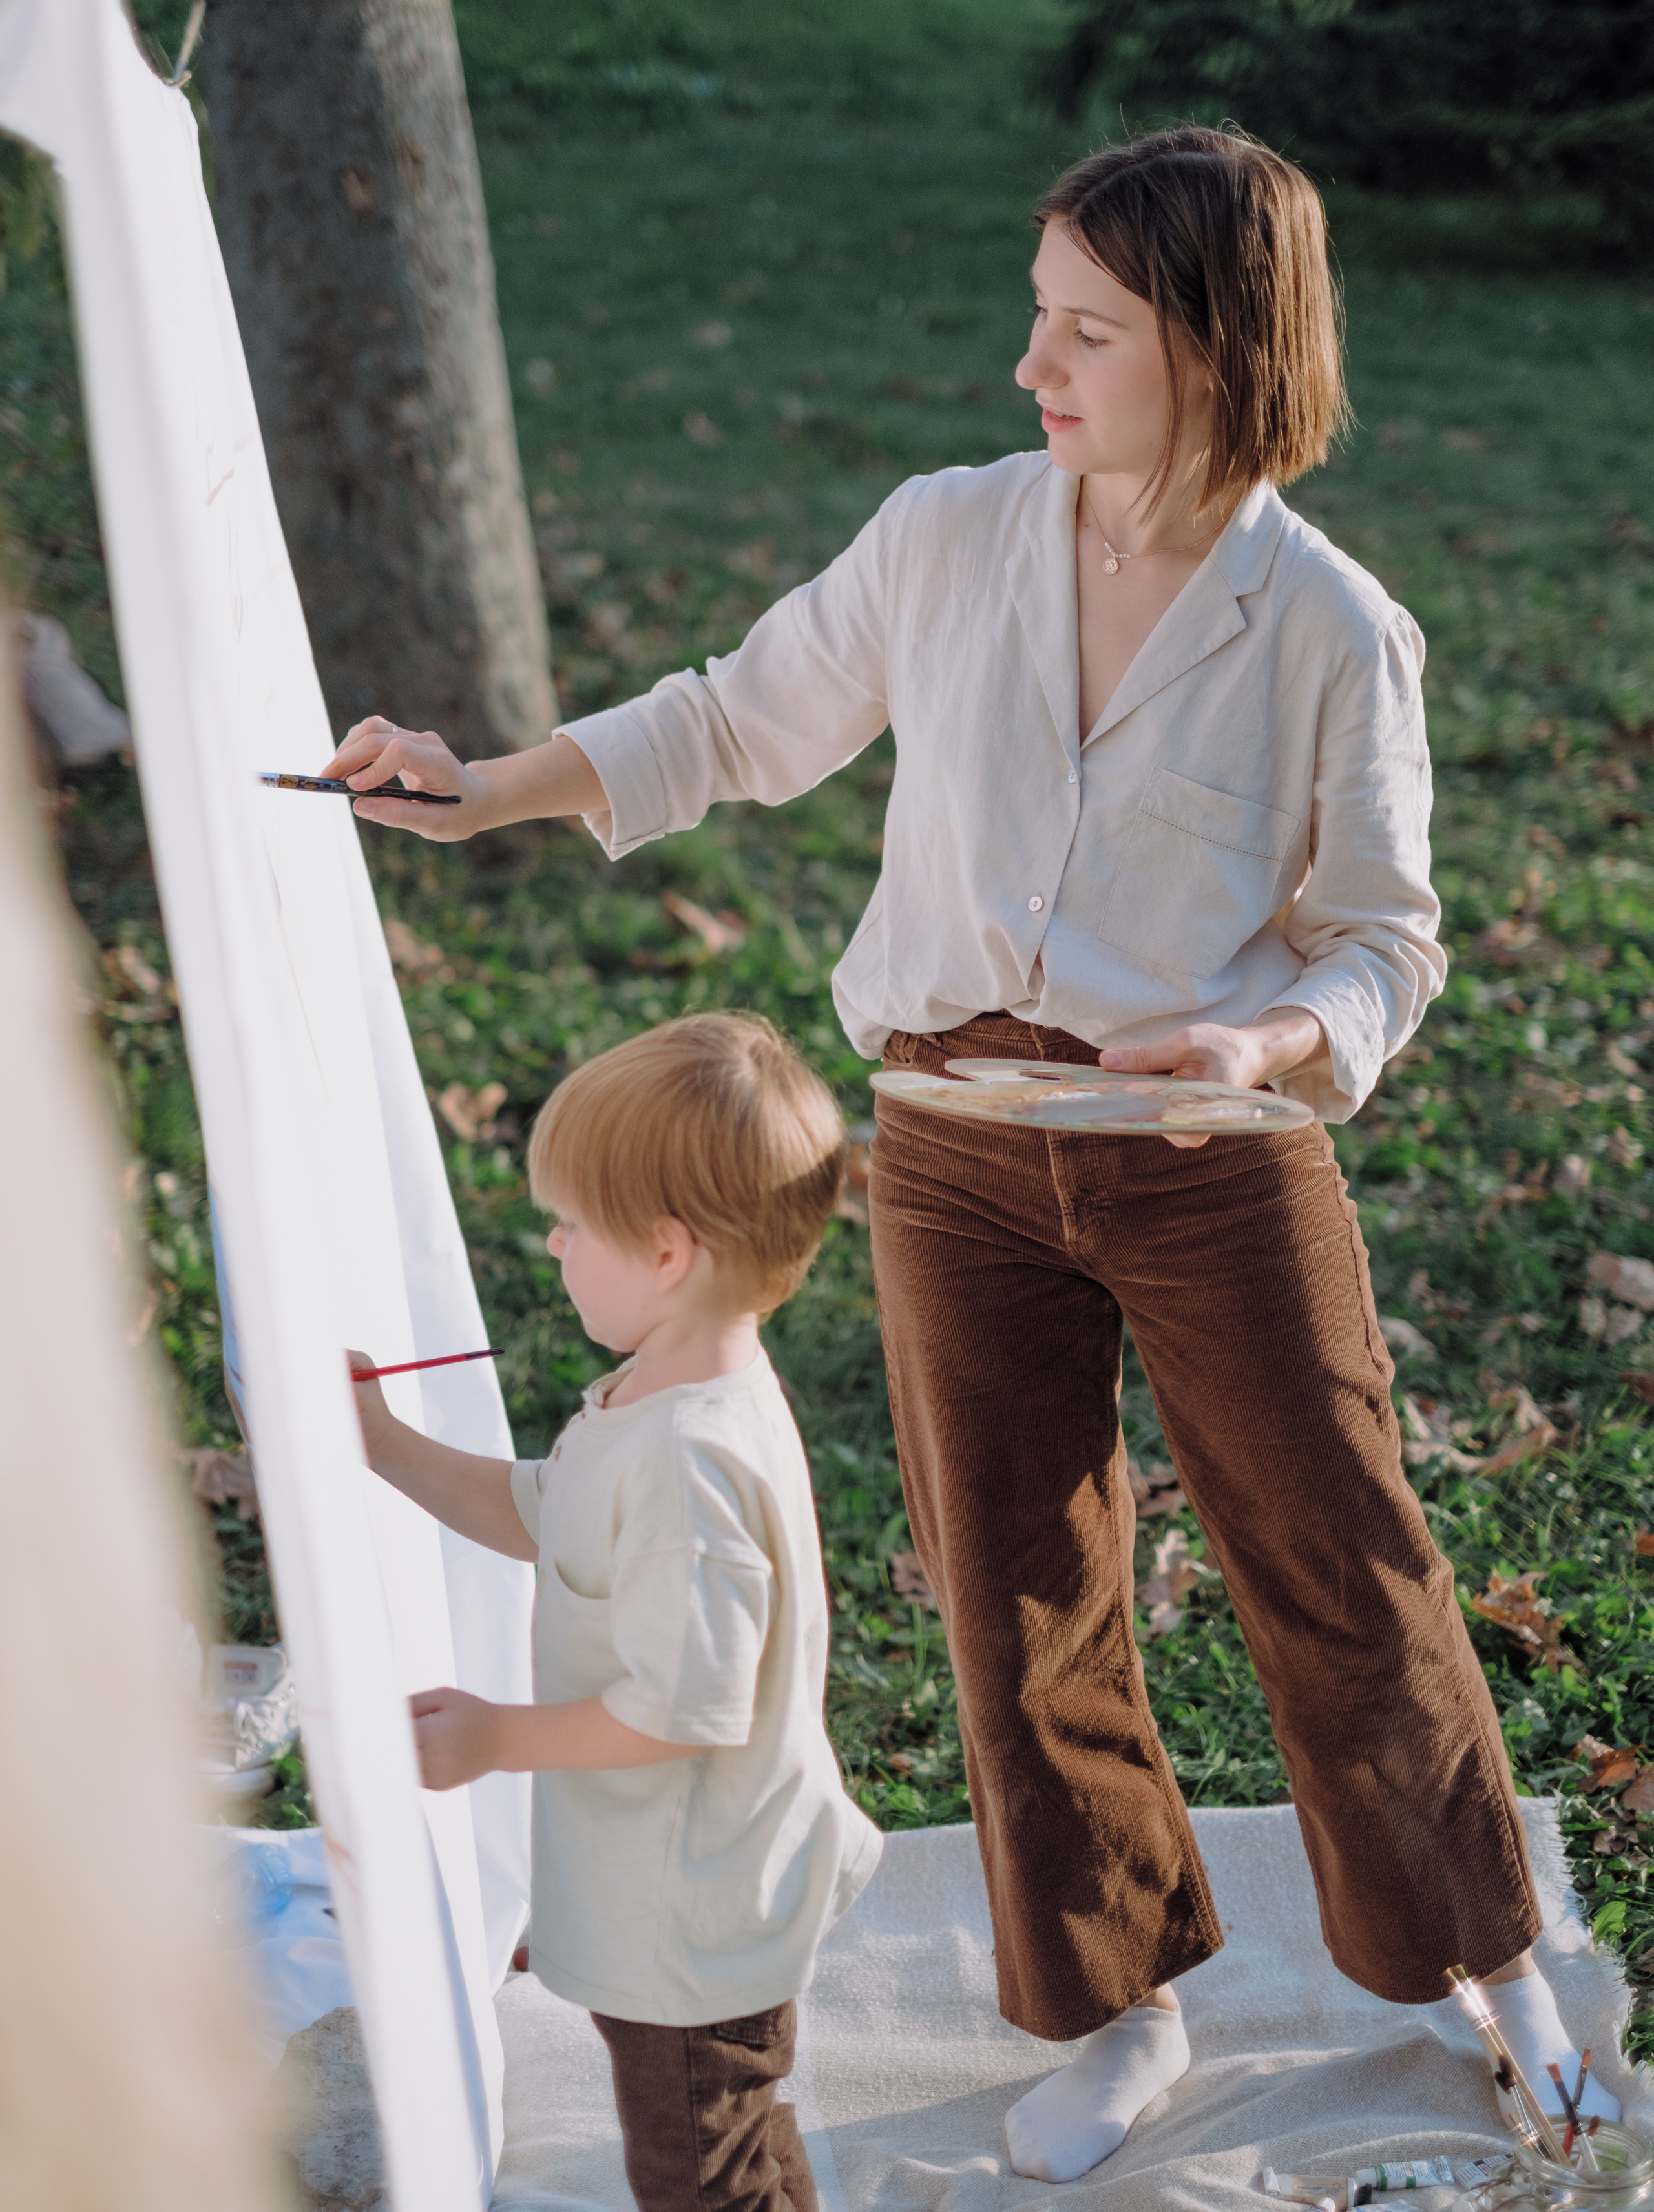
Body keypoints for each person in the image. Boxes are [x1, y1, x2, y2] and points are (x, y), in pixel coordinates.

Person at [325, 127, 1616, 2183]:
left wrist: (1264, 1039)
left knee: (1340, 1563)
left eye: (1087, 332)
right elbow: (730, 722)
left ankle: (1491, 1967)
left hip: (1206, 1146)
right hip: (946, 1147)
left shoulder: (1330, 627)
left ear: (1217, 349)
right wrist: (477, 789)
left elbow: (1387, 942)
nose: (1033, 366)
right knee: (1014, 1591)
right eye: (1038, 317)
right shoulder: (944, 536)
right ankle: (1118, 2005)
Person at [351, 1010, 879, 2212]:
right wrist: (385, 1446)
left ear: (666, 1253)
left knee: (700, 2172)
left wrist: (496, 1738)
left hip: (695, 1914)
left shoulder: (692, 1465)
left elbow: (679, 1710)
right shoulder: (656, 1392)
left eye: (573, 1225)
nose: (552, 1243)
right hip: (677, 1883)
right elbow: (546, 1511)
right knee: (736, 2136)